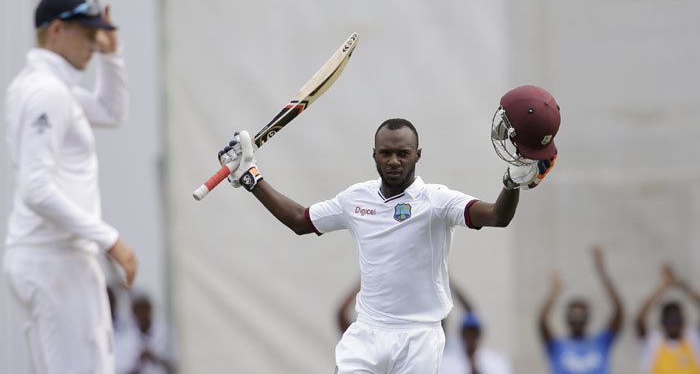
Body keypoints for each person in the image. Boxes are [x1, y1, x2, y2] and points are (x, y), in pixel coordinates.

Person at [217, 86, 559, 373]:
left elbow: (498, 216)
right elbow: (299, 220)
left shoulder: (436, 200)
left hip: (420, 336)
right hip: (368, 331)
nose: (394, 161)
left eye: (402, 153)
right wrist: (251, 178)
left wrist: (512, 183)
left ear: (417, 155)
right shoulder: (355, 199)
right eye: (386, 153)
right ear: (374, 155)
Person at [2, 0, 137, 373]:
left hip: (62, 258)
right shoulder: (46, 92)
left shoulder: (52, 88)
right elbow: (36, 188)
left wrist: (112, 56)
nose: (95, 42)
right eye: (87, 31)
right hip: (51, 259)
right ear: (57, 30)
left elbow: (112, 111)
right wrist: (110, 240)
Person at [538, 246, 624, 374]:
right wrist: (554, 293)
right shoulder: (557, 346)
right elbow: (542, 322)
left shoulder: (601, 342)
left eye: (581, 315)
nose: (577, 319)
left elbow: (619, 311)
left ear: (588, 318)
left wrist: (602, 273)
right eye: (573, 315)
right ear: (567, 318)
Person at [635, 264, 700, 373]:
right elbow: (640, 319)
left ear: (683, 320)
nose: (674, 324)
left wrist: (681, 284)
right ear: (662, 322)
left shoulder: (693, 339)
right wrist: (663, 287)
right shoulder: (654, 343)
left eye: (677, 319)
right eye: (670, 320)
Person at [440, 284, 513, 374]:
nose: (470, 337)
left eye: (474, 333)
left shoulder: (495, 361)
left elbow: (470, 308)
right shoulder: (449, 361)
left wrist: (450, 284)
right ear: (462, 334)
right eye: (467, 333)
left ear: (479, 334)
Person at [115, 294, 176, 374]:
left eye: (144, 310)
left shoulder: (166, 332)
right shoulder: (125, 337)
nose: (142, 315)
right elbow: (121, 370)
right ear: (133, 313)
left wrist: (155, 357)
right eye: (138, 311)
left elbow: (175, 366)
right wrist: (139, 362)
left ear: (150, 310)